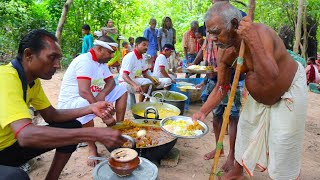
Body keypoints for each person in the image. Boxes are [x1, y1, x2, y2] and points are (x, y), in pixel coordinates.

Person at [192, 2, 308, 180]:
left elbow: (272, 75)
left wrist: (252, 40)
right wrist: (202, 111)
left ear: (234, 23)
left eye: (216, 32)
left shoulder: (261, 34)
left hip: (288, 90)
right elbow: (222, 87)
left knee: (284, 141)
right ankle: (238, 172)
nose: (212, 38)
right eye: (210, 33)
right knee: (245, 130)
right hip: (260, 97)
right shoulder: (226, 53)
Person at [0, 29, 125, 180]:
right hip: (8, 147)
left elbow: (52, 115)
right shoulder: (5, 77)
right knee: (16, 177)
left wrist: (91, 108)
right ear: (28, 55)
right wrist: (93, 133)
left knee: (72, 126)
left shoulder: (32, 81)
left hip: (11, 146)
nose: (58, 65)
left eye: (59, 59)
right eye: (52, 57)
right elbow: (26, 136)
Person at [57, 36, 128, 167]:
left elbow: (111, 82)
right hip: (72, 103)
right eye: (110, 52)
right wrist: (102, 110)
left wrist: (102, 94)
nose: (112, 55)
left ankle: (118, 127)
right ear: (99, 49)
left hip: (92, 96)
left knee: (122, 90)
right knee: (86, 104)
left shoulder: (101, 63)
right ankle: (91, 147)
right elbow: (83, 91)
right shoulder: (85, 61)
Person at [118, 37, 157, 102]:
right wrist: (135, 85)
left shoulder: (143, 57)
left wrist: (154, 81)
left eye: (147, 45)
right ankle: (140, 104)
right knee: (147, 83)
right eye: (144, 45)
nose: (146, 47)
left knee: (153, 81)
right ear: (136, 45)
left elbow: (144, 73)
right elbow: (124, 76)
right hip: (124, 82)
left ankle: (147, 102)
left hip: (134, 79)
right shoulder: (130, 57)